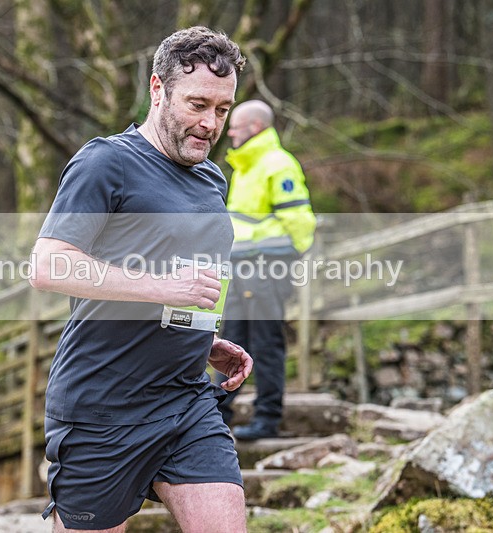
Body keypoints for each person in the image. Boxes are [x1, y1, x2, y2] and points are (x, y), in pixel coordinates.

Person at [29, 27, 253, 533]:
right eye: (197, 104)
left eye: (223, 109)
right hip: (102, 409)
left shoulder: (211, 178)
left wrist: (201, 340)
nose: (210, 123)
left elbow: (185, 281)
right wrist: (163, 288)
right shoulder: (106, 162)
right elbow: (48, 264)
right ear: (157, 89)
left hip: (185, 400)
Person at [214, 100, 317, 441]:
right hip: (240, 266)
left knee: (266, 341)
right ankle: (216, 416)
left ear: (255, 127)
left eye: (235, 126)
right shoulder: (246, 165)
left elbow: (299, 220)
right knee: (229, 342)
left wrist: (284, 257)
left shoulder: (277, 164)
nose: (229, 132)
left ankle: (268, 419)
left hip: (266, 266)